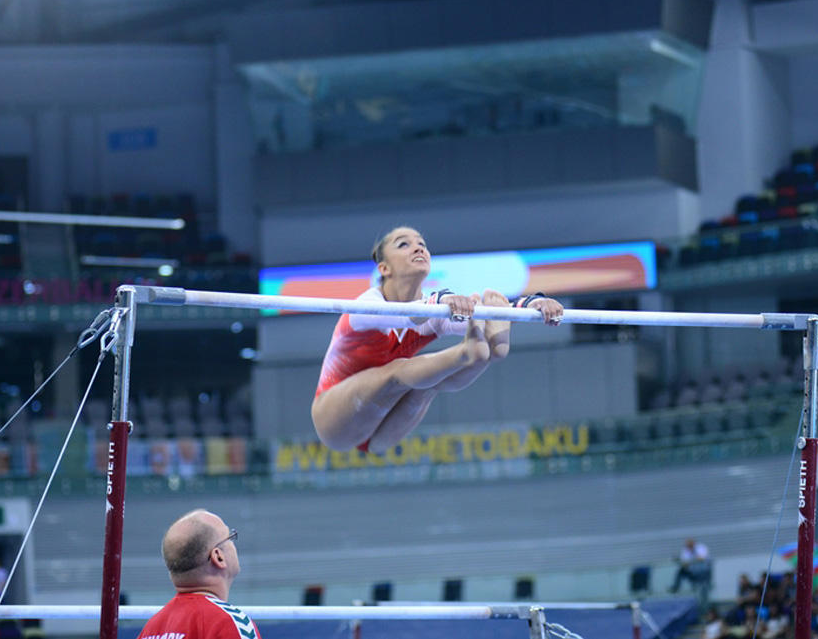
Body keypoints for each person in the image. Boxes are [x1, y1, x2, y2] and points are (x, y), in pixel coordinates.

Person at [311, 226, 564, 454]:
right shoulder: (363, 308)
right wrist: (440, 299)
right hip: (334, 419)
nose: (418, 247)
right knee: (398, 370)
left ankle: (483, 354)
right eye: (404, 244)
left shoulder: (433, 311)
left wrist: (533, 304)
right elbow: (407, 317)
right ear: (384, 268)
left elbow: (479, 315)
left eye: (421, 243)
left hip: (381, 434)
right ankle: (467, 353)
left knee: (429, 384)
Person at [137, 509, 260, 639]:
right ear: (218, 557)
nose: (233, 544)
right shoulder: (229, 624)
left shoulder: (151, 629)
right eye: (230, 537)